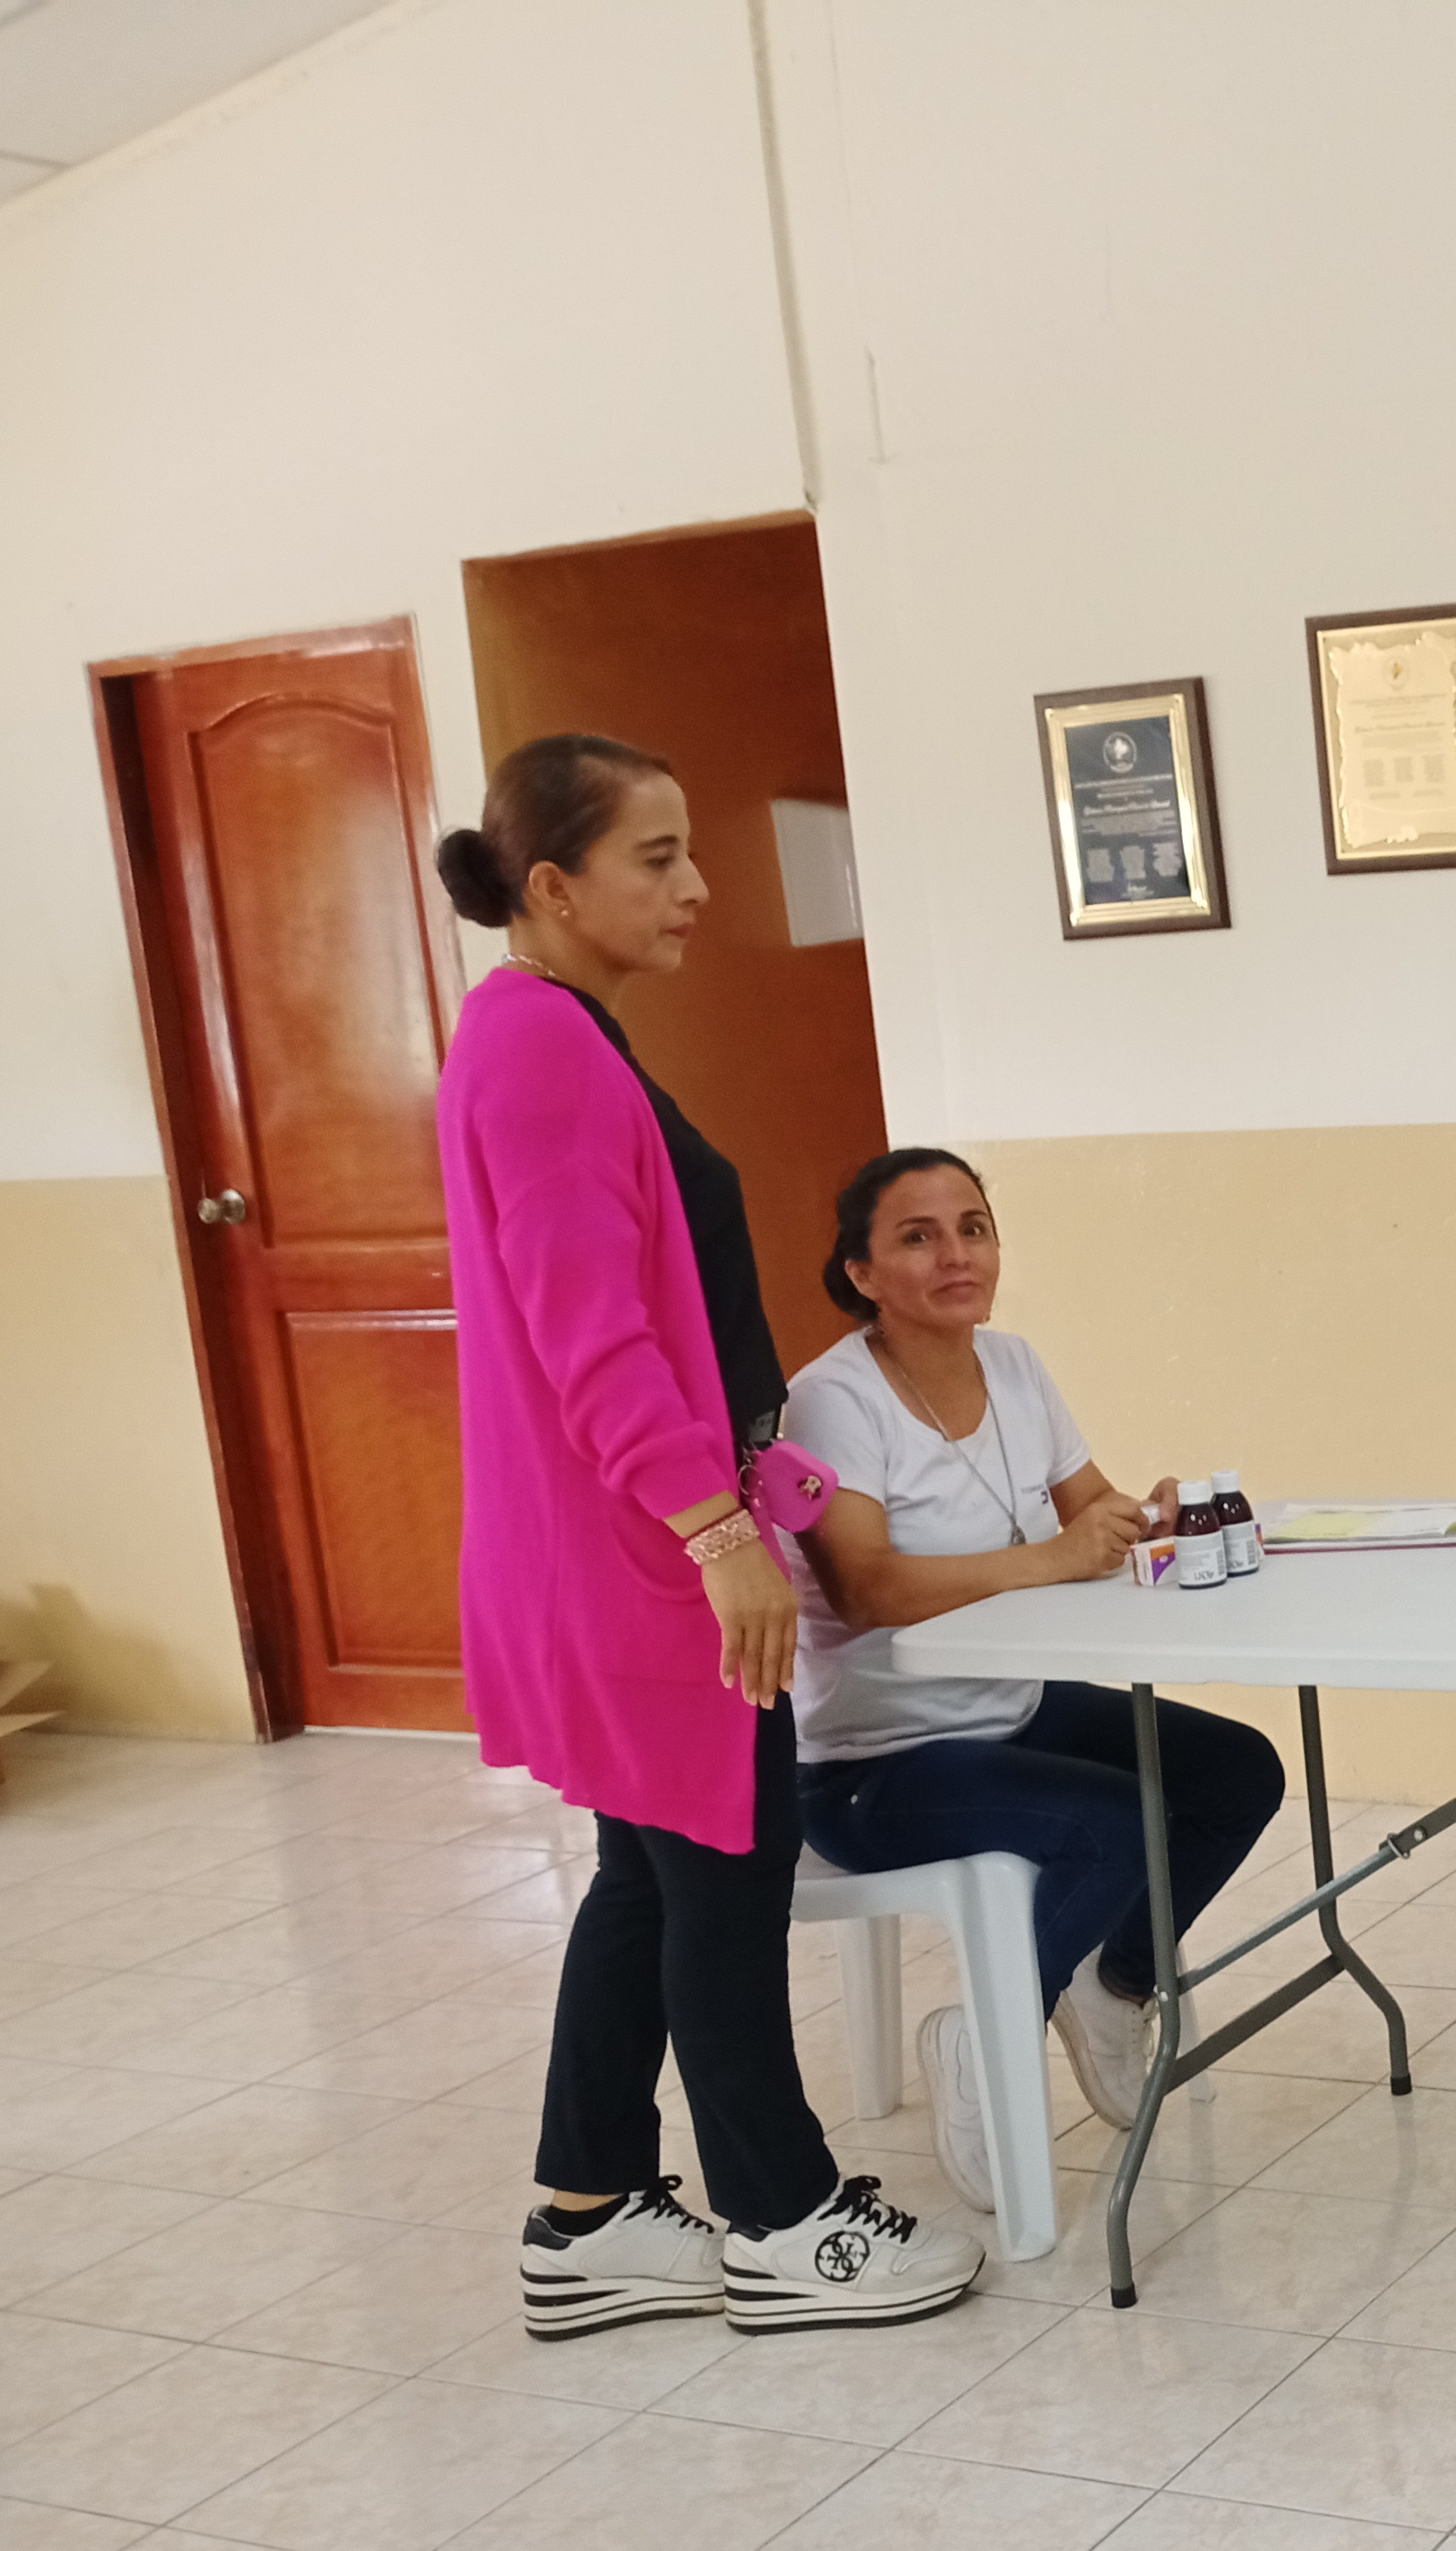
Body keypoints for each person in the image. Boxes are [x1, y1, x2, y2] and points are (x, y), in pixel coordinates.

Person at [437, 736, 980, 2338]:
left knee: (648, 1879)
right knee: (725, 1882)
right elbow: (592, 1334)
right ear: (553, 885)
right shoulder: (540, 1050)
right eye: (657, 856)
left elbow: (665, 1327)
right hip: (642, 1562)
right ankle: (782, 2219)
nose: (696, 886)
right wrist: (714, 1533)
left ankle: (588, 2211)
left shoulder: (547, 1032)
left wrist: (767, 1496)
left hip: (632, 1543)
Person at [784, 1149, 1290, 2212]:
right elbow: (865, 1586)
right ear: (862, 1273)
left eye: (973, 1228)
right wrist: (1055, 1557)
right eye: (918, 1236)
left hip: (1005, 1706)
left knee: (1237, 1771)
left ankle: (1115, 1983)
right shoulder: (831, 1402)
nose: (956, 1254)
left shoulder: (1012, 1366)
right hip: (876, 1761)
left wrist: (1150, 1516)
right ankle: (985, 2032)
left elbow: (1088, 1510)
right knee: (1117, 1822)